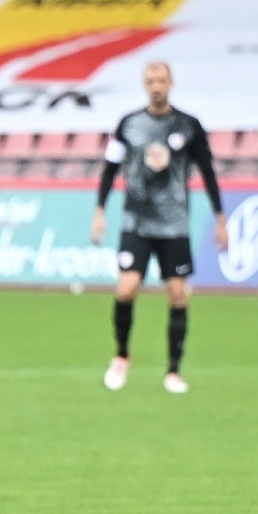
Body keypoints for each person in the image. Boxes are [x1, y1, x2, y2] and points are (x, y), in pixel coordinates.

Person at [91, 60, 227, 395]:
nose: (156, 86)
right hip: (136, 221)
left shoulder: (189, 125)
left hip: (174, 224)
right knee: (125, 289)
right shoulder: (128, 124)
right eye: (151, 80)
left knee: (178, 295)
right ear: (144, 84)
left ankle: (173, 371)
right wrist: (99, 210)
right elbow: (110, 168)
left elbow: (207, 172)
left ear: (171, 82)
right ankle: (122, 355)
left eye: (162, 80)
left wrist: (220, 217)